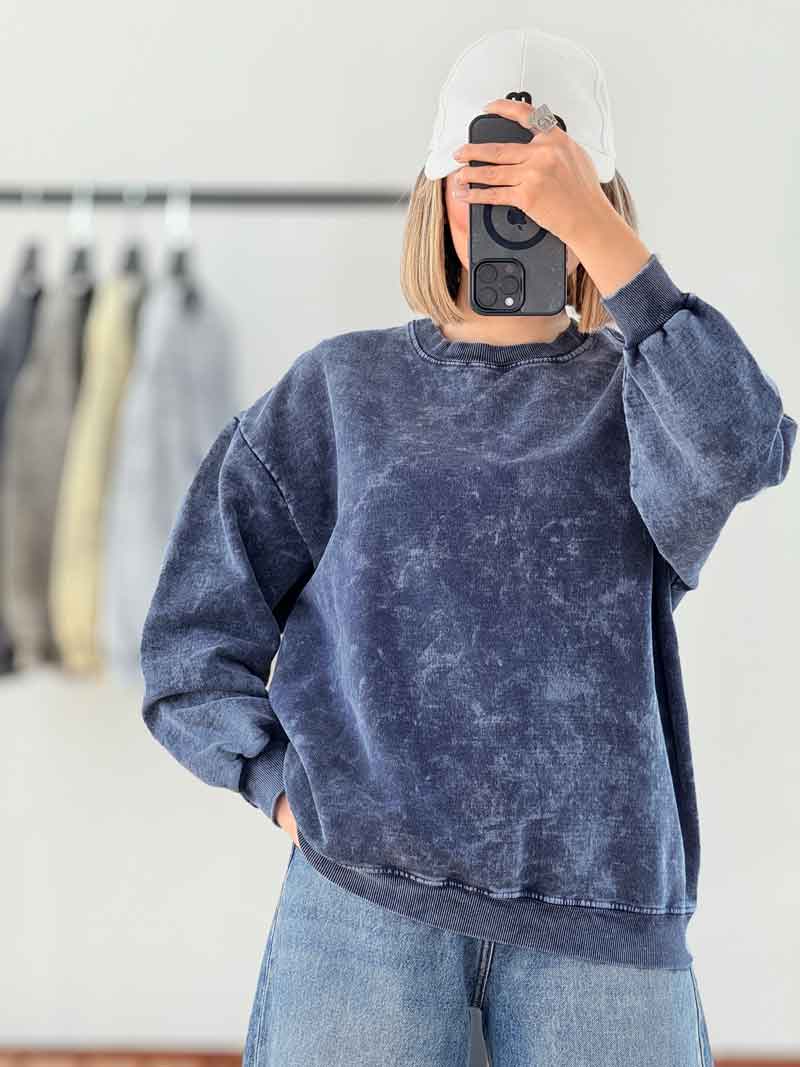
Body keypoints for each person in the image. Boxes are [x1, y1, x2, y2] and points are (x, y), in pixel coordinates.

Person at [139, 27, 795, 1067]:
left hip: (603, 921)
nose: (512, 194)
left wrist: (605, 244)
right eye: (482, 166)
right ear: (435, 189)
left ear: (597, 191)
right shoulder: (338, 393)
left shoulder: (645, 396)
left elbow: (745, 443)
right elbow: (190, 642)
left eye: (548, 171)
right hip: (364, 915)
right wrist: (279, 785)